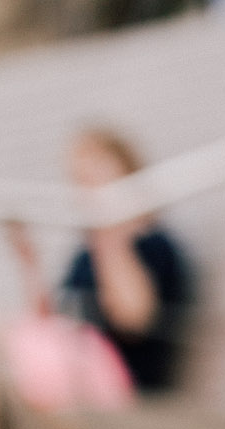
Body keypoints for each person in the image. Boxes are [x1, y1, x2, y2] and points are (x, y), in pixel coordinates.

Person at [50, 126, 193, 394]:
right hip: (77, 375)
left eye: (95, 171)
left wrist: (109, 233)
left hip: (130, 386)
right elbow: (58, 320)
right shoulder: (84, 257)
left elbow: (133, 320)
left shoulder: (155, 246)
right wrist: (27, 261)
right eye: (79, 177)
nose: (85, 184)